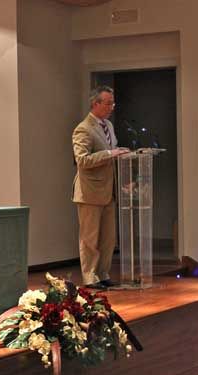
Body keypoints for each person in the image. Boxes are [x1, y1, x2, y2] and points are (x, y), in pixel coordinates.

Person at [72, 85, 130, 289]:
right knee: (90, 238)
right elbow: (82, 160)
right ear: (95, 104)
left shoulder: (109, 126)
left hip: (109, 190)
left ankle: (103, 273)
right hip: (90, 192)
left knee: (108, 238)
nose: (111, 107)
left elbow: (112, 153)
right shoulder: (83, 128)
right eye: (107, 103)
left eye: (113, 103)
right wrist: (110, 154)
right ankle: (90, 277)